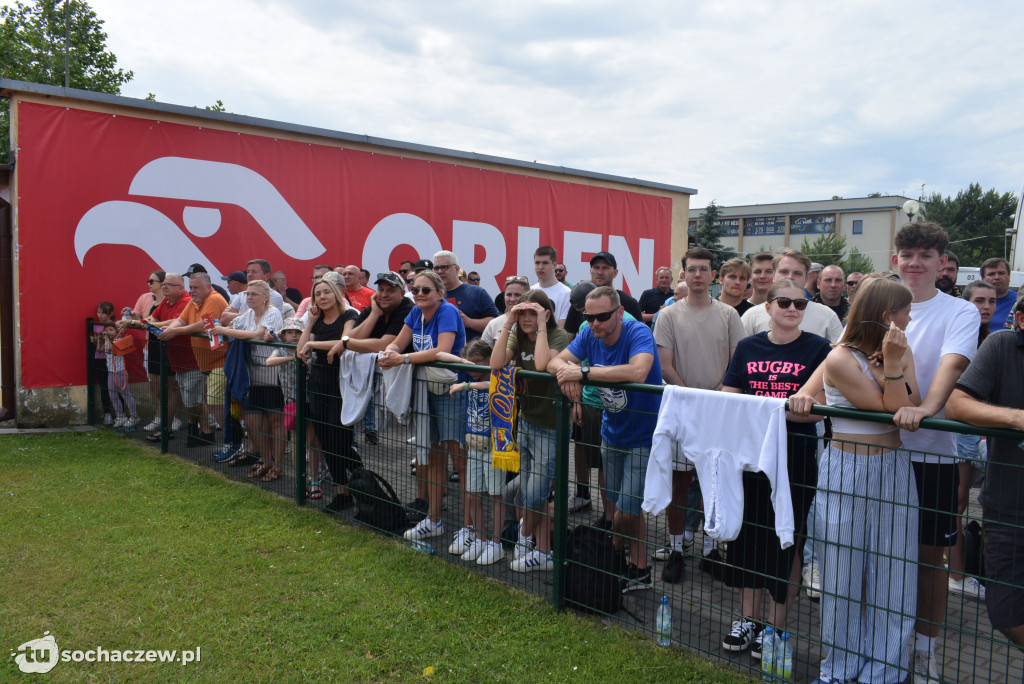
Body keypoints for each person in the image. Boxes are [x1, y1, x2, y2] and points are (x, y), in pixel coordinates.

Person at [792, 275, 921, 684]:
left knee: (895, 573)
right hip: (847, 468)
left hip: (894, 468)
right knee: (842, 574)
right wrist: (895, 368)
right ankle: (840, 667)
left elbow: (911, 411)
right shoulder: (840, 358)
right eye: (905, 312)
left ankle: (885, 672)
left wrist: (895, 363)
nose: (911, 318)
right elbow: (888, 410)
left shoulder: (899, 350)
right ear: (887, 316)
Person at [719, 279, 831, 660]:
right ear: (768, 307)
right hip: (751, 454)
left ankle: (776, 625)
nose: (793, 309)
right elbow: (730, 393)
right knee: (747, 536)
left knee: (788, 537)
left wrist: (801, 407)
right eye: (785, 302)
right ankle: (747, 619)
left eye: (801, 303)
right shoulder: (749, 347)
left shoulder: (818, 348)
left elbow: (824, 404)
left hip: (795, 454)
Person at [888, 221, 979, 683]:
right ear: (895, 260)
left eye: (926, 255)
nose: (916, 263)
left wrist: (924, 408)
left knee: (929, 562)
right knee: (881, 559)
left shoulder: (959, 312)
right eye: (908, 254)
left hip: (932, 458)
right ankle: (883, 646)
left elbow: (953, 365)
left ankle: (924, 652)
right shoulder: (881, 306)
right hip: (876, 455)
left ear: (941, 263)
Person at [549, 286, 663, 592]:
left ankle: (613, 549)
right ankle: (638, 569)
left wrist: (581, 373)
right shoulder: (587, 333)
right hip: (611, 433)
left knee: (625, 511)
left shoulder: (637, 332)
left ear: (620, 313)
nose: (595, 322)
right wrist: (567, 374)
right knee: (616, 504)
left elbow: (638, 372)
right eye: (589, 316)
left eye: (602, 316)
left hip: (644, 434)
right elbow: (553, 362)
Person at [653, 248, 744, 584]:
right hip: (683, 408)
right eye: (691, 269)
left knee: (714, 484)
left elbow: (738, 364)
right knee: (679, 484)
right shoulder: (668, 315)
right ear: (684, 274)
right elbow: (665, 365)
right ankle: (676, 548)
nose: (697, 275)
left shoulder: (729, 315)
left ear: (713, 275)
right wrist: (693, 396)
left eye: (704, 270)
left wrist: (719, 392)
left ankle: (709, 550)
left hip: (720, 410)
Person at [946, 292, 1024, 653]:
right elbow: (957, 404)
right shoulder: (1002, 346)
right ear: (1021, 320)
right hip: (1009, 509)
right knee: (1006, 614)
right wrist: (1015, 418)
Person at [379, 270, 466, 541]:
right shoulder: (415, 313)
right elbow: (398, 341)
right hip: (425, 390)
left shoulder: (447, 312)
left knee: (460, 459)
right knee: (433, 456)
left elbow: (443, 350)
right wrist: (390, 351)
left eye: (425, 290)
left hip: (451, 391)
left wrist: (402, 359)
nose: (418, 294)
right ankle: (434, 519)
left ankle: (470, 526)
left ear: (440, 293)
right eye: (415, 289)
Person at [490, 290, 569, 572]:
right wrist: (509, 323)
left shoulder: (559, 336)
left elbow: (540, 364)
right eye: (522, 312)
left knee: (536, 494)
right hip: (526, 421)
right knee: (529, 491)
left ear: (546, 313)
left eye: (532, 312)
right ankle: (542, 549)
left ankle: (526, 541)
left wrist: (542, 326)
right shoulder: (518, 333)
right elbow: (495, 363)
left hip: (551, 425)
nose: (526, 318)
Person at [946, 280, 998, 600]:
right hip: (963, 429)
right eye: (979, 300)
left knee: (992, 501)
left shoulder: (996, 339)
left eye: (992, 300)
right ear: (966, 303)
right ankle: (955, 572)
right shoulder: (961, 338)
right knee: (958, 502)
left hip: (989, 432)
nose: (986, 306)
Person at [296, 273, 361, 511]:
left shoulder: (349, 315)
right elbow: (299, 350)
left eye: (326, 292)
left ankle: (364, 483)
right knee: (326, 441)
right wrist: (310, 323)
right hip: (318, 385)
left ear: (337, 293)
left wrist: (313, 345)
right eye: (317, 293)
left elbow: (345, 341)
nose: (321, 297)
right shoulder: (318, 321)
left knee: (341, 442)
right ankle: (343, 493)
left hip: (341, 386)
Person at [328, 271, 415, 446]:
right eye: (381, 289)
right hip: (380, 375)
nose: (384, 294)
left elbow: (384, 343)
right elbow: (354, 336)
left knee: (416, 423)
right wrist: (374, 314)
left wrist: (345, 344)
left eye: (390, 290)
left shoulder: (407, 308)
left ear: (402, 293)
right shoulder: (374, 307)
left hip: (409, 376)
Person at [440, 339, 507, 565]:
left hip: (495, 446)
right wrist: (464, 362)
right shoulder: (470, 374)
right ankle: (479, 537)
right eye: (470, 365)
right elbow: (441, 354)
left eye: (479, 363)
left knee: (496, 494)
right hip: (474, 444)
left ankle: (496, 543)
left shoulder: (499, 374)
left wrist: (466, 386)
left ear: (490, 359)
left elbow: (494, 385)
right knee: (472, 493)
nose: (473, 369)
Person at [213, 280, 284, 481]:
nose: (249, 297)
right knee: (253, 422)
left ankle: (277, 466)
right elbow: (230, 324)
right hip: (252, 376)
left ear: (266, 297)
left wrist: (223, 331)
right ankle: (267, 461)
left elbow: (257, 334)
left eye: (254, 294)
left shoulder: (273, 313)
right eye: (247, 294)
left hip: (272, 376)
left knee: (275, 423)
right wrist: (215, 325)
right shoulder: (248, 314)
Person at [157, 271, 229, 448]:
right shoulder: (195, 301)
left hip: (220, 360)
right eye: (191, 287)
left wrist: (174, 331)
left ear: (208, 287)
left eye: (196, 287)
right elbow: (181, 320)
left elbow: (204, 325)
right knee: (210, 403)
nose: (193, 291)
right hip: (205, 362)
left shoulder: (213, 299)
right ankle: (229, 440)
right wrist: (170, 329)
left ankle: (232, 441)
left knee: (215, 405)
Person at [741, 249, 843, 342]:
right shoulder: (752, 316)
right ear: (773, 275)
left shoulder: (827, 315)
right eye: (784, 272)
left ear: (806, 279)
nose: (790, 277)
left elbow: (840, 356)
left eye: (797, 273)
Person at [145, 273, 193, 442]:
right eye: (163, 284)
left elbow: (173, 323)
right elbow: (154, 318)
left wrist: (145, 324)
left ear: (181, 288)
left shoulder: (186, 301)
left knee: (193, 398)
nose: (164, 287)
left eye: (168, 284)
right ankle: (169, 427)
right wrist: (148, 322)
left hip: (187, 356)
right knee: (167, 389)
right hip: (170, 351)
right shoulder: (166, 300)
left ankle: (202, 431)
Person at [118, 270, 167, 432]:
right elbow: (140, 320)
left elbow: (153, 322)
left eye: (151, 281)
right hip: (149, 347)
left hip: (167, 348)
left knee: (171, 387)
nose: (148, 284)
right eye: (148, 281)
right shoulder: (145, 298)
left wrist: (137, 321)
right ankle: (159, 417)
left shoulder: (168, 300)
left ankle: (174, 419)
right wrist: (131, 316)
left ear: (161, 283)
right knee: (154, 386)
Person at [563, 252, 643, 334]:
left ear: (615, 273)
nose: (600, 272)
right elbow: (569, 335)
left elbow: (639, 335)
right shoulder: (580, 300)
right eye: (596, 267)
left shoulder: (630, 303)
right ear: (590, 271)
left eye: (605, 268)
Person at [432, 250, 498, 341]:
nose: (439, 271)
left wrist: (469, 322)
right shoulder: (430, 294)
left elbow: (496, 323)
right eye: (436, 268)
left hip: (470, 353)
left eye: (444, 267)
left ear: (457, 269)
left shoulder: (477, 292)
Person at [220, 259, 285, 325]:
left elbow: (260, 322)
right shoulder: (241, 295)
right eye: (248, 272)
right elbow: (224, 319)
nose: (249, 275)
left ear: (267, 276)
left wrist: (236, 315)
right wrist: (251, 315)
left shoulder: (275, 297)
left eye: (254, 272)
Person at [100, 322, 140, 428]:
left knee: (125, 394)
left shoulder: (119, 341)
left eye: (111, 330)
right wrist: (100, 338)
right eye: (106, 330)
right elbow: (100, 349)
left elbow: (111, 349)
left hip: (120, 371)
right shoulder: (107, 341)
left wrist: (108, 339)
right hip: (111, 372)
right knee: (112, 395)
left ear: (117, 332)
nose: (108, 332)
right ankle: (120, 416)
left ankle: (134, 416)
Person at [481, 276, 530, 345]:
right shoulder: (493, 324)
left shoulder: (535, 322)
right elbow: (482, 354)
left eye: (517, 295)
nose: (512, 299)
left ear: (527, 296)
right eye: (509, 295)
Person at [530, 245, 572, 326]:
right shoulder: (530, 290)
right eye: (537, 263)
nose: (540, 267)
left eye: (545, 263)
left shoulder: (566, 293)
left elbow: (561, 330)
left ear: (554, 265)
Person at [91, 301, 117, 425]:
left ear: (111, 313)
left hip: (112, 357)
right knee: (104, 386)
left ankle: (119, 412)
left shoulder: (114, 325)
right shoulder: (96, 325)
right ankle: (107, 413)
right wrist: (96, 339)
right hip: (99, 357)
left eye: (103, 313)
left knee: (116, 385)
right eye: (99, 312)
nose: (100, 315)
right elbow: (95, 343)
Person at [981, 257, 1016, 330]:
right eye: (991, 274)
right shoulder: (973, 303)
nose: (997, 277)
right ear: (983, 279)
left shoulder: (1020, 301)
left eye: (1001, 273)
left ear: (1009, 276)